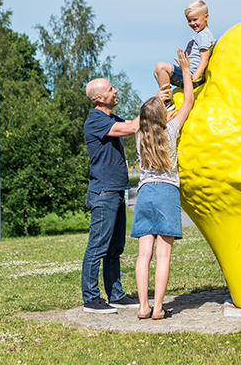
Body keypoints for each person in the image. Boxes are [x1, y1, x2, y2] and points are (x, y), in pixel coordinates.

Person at [132, 49, 195, 320]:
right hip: (167, 192)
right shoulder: (170, 131)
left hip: (145, 193)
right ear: (163, 117)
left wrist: (157, 100)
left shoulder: (139, 136)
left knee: (143, 255)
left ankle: (142, 307)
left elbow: (147, 119)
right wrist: (186, 72)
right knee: (163, 256)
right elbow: (188, 102)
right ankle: (158, 308)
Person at [80, 77, 145, 314]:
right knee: (97, 246)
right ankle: (91, 298)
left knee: (114, 247)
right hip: (103, 192)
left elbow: (135, 123)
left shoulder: (110, 119)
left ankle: (116, 294)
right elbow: (132, 127)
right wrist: (154, 103)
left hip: (116, 191)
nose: (115, 90)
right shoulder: (95, 120)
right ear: (99, 98)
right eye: (110, 89)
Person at [153, 0, 214, 106]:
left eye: (195, 19)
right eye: (189, 20)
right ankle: (166, 98)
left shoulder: (205, 36)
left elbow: (204, 60)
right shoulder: (200, 35)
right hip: (188, 73)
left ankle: (167, 102)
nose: (192, 23)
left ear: (206, 17)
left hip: (192, 76)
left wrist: (194, 77)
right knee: (156, 71)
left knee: (161, 66)